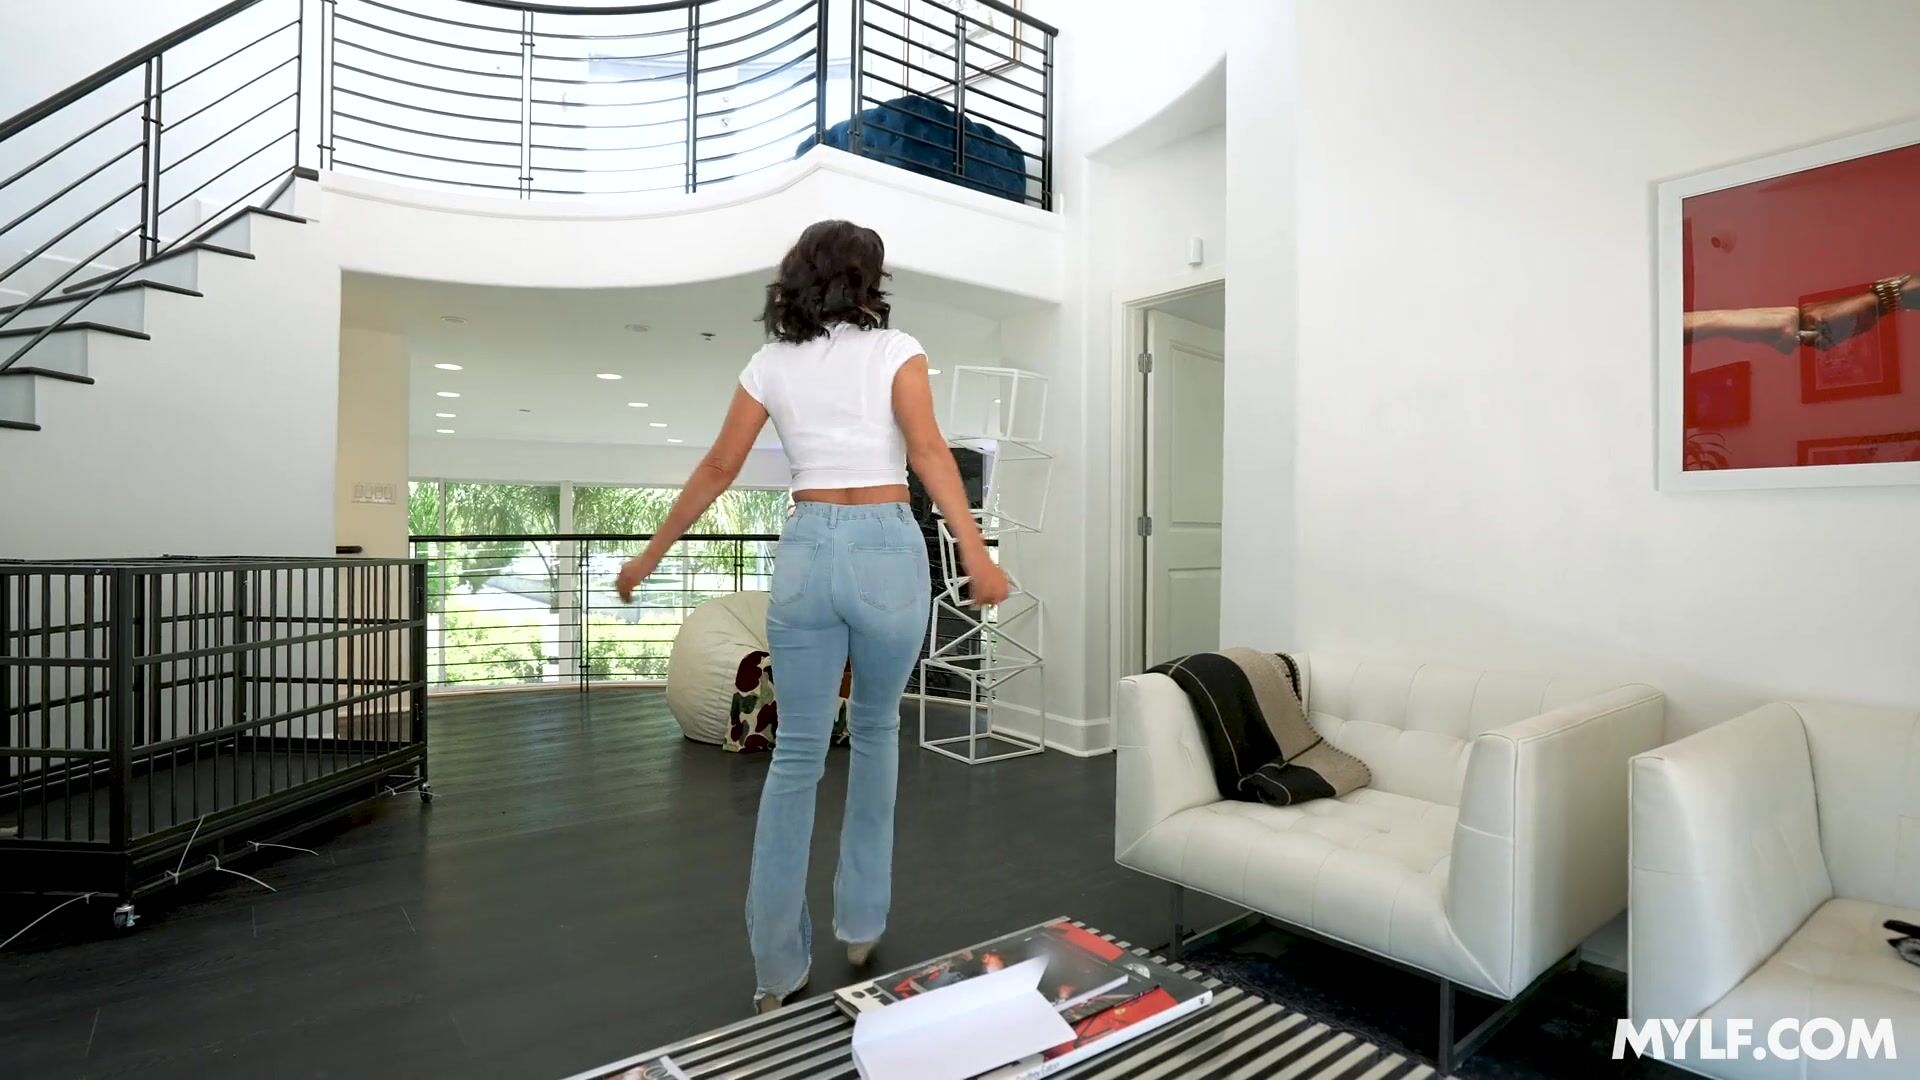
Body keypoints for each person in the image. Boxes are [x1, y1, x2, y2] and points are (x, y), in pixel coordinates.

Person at [614, 219, 1012, 1014]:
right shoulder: (897, 351)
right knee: (877, 733)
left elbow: (719, 466)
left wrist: (650, 556)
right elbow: (929, 454)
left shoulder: (769, 363)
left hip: (805, 549)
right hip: (886, 547)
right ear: (868, 278)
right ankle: (861, 925)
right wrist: (977, 555)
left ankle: (775, 971)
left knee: (796, 755)